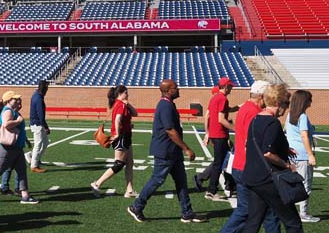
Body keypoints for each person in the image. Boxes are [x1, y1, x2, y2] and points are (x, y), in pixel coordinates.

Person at [233, 84, 329, 233]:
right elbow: (268, 152)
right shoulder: (272, 123)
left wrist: (285, 150)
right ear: (277, 103)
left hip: (252, 178)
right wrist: (287, 165)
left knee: (253, 220)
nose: (287, 107)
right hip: (268, 180)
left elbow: (257, 145)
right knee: (293, 221)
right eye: (286, 103)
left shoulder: (256, 119)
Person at [207, 81, 292, 233]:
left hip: (240, 164)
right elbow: (259, 144)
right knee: (261, 211)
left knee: (254, 210)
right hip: (250, 166)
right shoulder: (256, 113)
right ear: (263, 97)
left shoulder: (245, 107)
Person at [127, 79, 204, 223]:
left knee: (181, 182)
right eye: (176, 87)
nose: (178, 89)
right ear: (168, 91)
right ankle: (136, 206)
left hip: (173, 151)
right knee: (157, 179)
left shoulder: (169, 105)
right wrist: (186, 148)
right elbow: (170, 130)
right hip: (166, 151)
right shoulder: (165, 106)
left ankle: (187, 213)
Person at [91, 85, 137, 198]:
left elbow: (135, 113)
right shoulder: (120, 104)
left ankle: (129, 191)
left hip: (126, 136)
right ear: (120, 93)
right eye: (126, 93)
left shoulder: (122, 104)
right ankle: (97, 184)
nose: (128, 95)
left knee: (130, 163)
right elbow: (117, 119)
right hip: (121, 137)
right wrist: (117, 133)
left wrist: (128, 104)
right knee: (119, 164)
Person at [195, 77, 237, 200]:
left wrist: (238, 107)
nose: (231, 89)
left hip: (215, 134)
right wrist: (236, 129)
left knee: (222, 162)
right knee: (220, 163)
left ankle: (228, 187)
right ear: (225, 87)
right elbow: (221, 119)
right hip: (220, 135)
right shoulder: (223, 99)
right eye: (230, 86)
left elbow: (220, 112)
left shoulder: (215, 98)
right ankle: (212, 190)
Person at [285, 90, 319, 222]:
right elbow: (304, 135)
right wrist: (310, 154)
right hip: (303, 155)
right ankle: (303, 213)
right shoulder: (302, 116)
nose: (311, 102)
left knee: (293, 184)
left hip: (292, 154)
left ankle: (291, 210)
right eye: (310, 99)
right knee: (305, 185)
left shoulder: (290, 115)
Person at [29, 79, 51, 172]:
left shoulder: (36, 95)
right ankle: (34, 165)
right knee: (38, 144)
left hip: (37, 123)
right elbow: (41, 115)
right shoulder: (38, 98)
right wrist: (46, 127)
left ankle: (32, 157)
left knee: (45, 143)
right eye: (46, 88)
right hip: (38, 124)